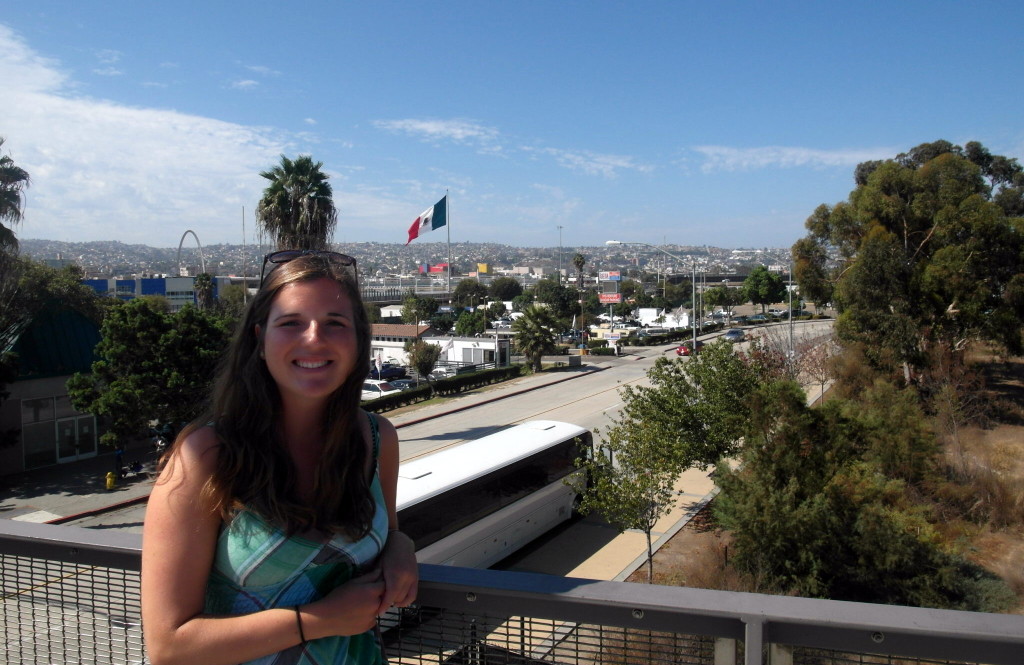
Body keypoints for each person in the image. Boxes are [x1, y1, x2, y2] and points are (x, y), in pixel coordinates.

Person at [142, 250, 418, 665]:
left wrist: (401, 545)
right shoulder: (204, 458)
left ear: (358, 340)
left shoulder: (377, 440)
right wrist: (319, 620)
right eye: (291, 323)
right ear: (260, 339)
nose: (314, 339)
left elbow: (388, 530)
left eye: (335, 323)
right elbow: (169, 646)